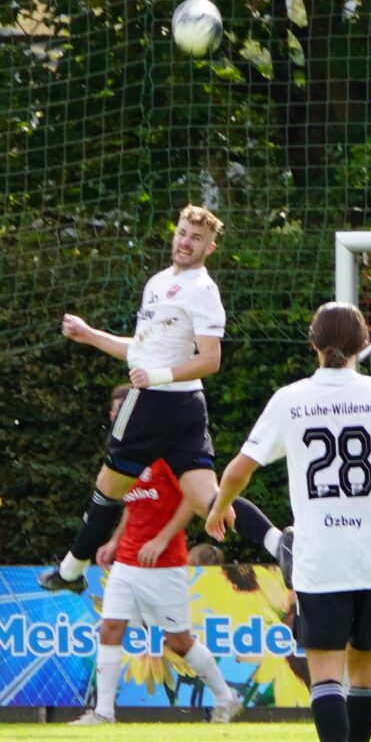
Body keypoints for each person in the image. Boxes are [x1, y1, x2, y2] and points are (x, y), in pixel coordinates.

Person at [205, 302, 371, 742]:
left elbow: (241, 467)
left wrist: (220, 508)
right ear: (362, 342)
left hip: (319, 559)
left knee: (326, 673)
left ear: (313, 343)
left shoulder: (292, 399)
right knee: (364, 673)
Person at [39, 205, 283, 594]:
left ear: (210, 247)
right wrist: (90, 334)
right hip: (185, 406)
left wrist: (157, 377)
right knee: (209, 499)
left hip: (157, 401)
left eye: (196, 238)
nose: (186, 242)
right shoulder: (157, 282)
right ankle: (279, 543)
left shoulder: (202, 289)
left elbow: (210, 359)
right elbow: (142, 351)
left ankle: (70, 571)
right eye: (183, 233)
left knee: (108, 485)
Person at [70, 385, 242, 726]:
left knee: (178, 641)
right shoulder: (124, 458)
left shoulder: (165, 451)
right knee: (110, 628)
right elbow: (130, 504)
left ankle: (226, 697)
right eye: (115, 411)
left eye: (125, 409)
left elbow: (189, 501)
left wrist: (162, 539)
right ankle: (104, 713)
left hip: (165, 562)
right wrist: (115, 541)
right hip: (128, 561)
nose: (119, 415)